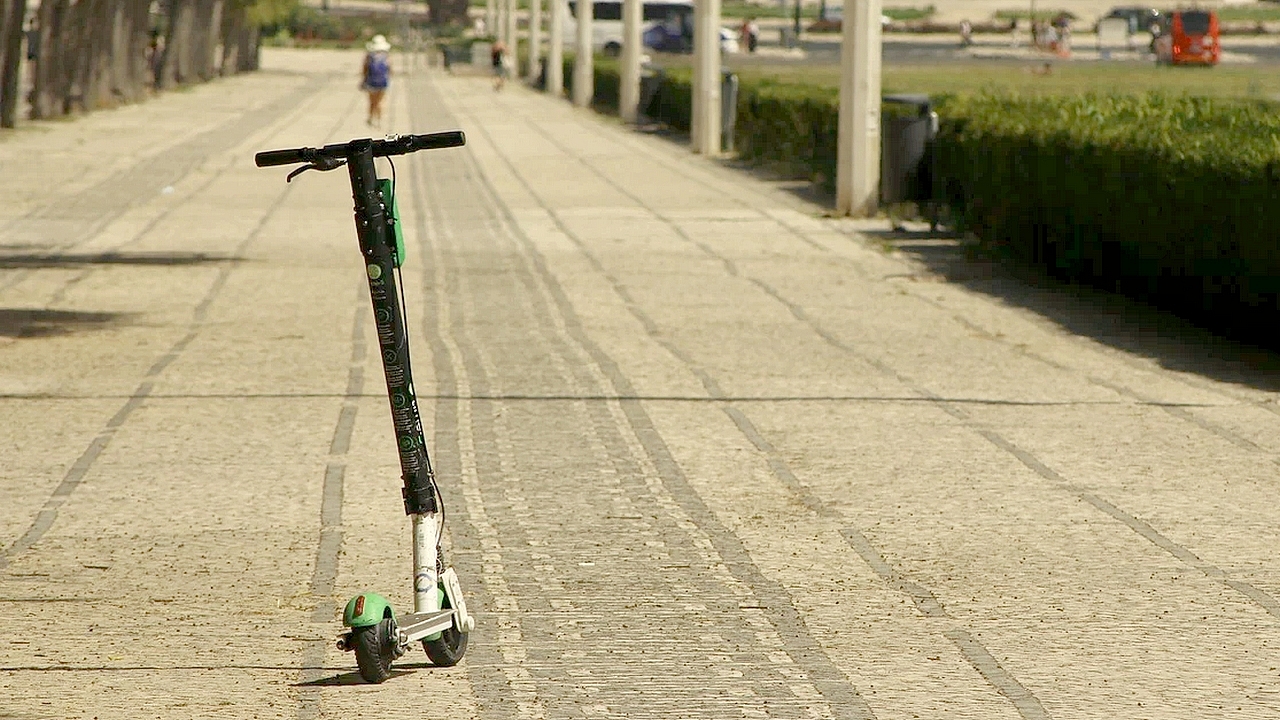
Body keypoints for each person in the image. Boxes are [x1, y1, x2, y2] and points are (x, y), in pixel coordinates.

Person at [362, 35, 391, 127]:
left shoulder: (369, 56)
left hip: (371, 81)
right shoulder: (386, 56)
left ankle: (370, 118)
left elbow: (365, 69)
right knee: (380, 102)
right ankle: (379, 119)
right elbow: (389, 69)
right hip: (383, 82)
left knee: (372, 101)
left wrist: (364, 79)